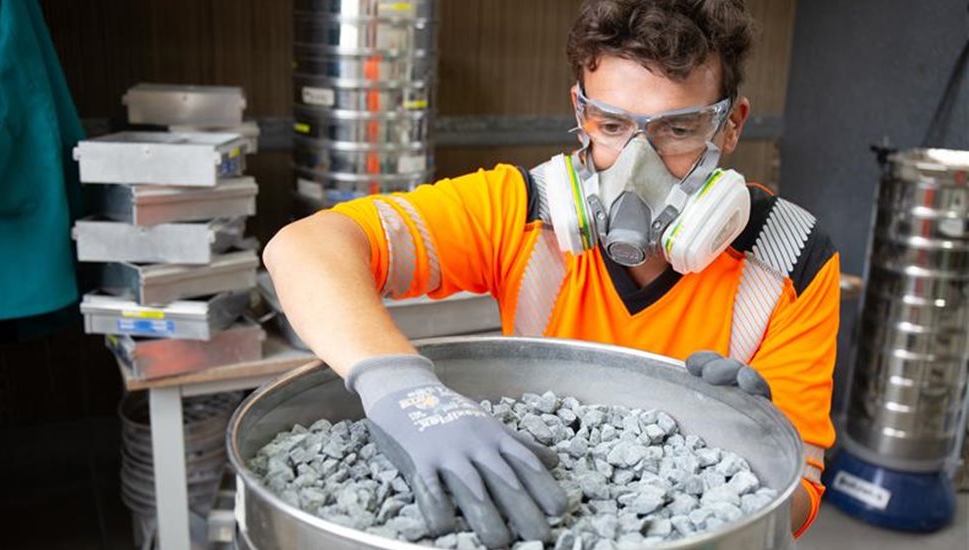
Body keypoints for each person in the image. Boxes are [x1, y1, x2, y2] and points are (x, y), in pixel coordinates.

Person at [265, 0, 838, 546]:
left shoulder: (790, 255)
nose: (638, 163)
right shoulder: (522, 213)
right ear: (580, 113)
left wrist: (752, 450)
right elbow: (303, 246)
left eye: (679, 130)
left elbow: (798, 500)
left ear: (731, 125)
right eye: (611, 125)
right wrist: (404, 391)